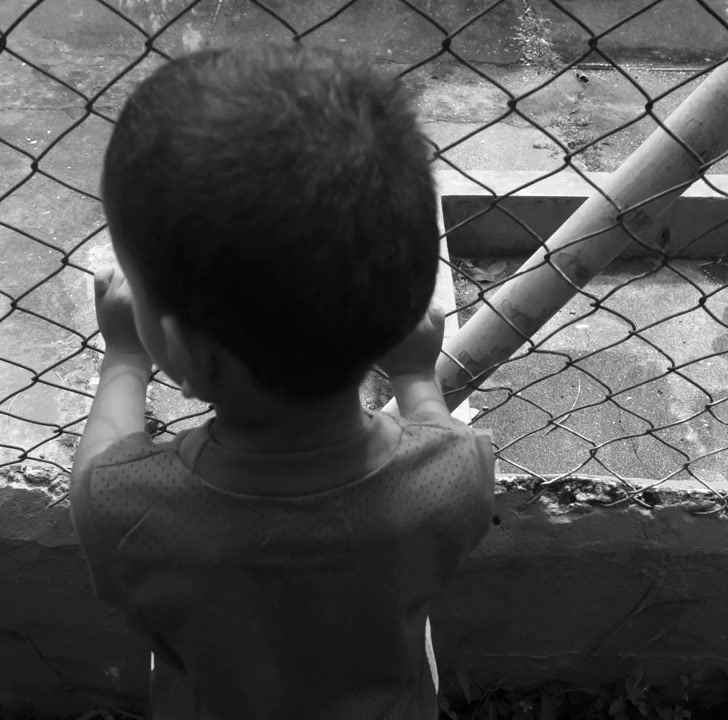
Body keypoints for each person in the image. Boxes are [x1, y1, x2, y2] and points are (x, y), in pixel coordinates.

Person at [69, 42, 495, 719]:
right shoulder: (454, 474)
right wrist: (415, 373)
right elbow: (434, 423)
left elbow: (95, 469)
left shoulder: (131, 511)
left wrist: (123, 358)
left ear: (180, 350)